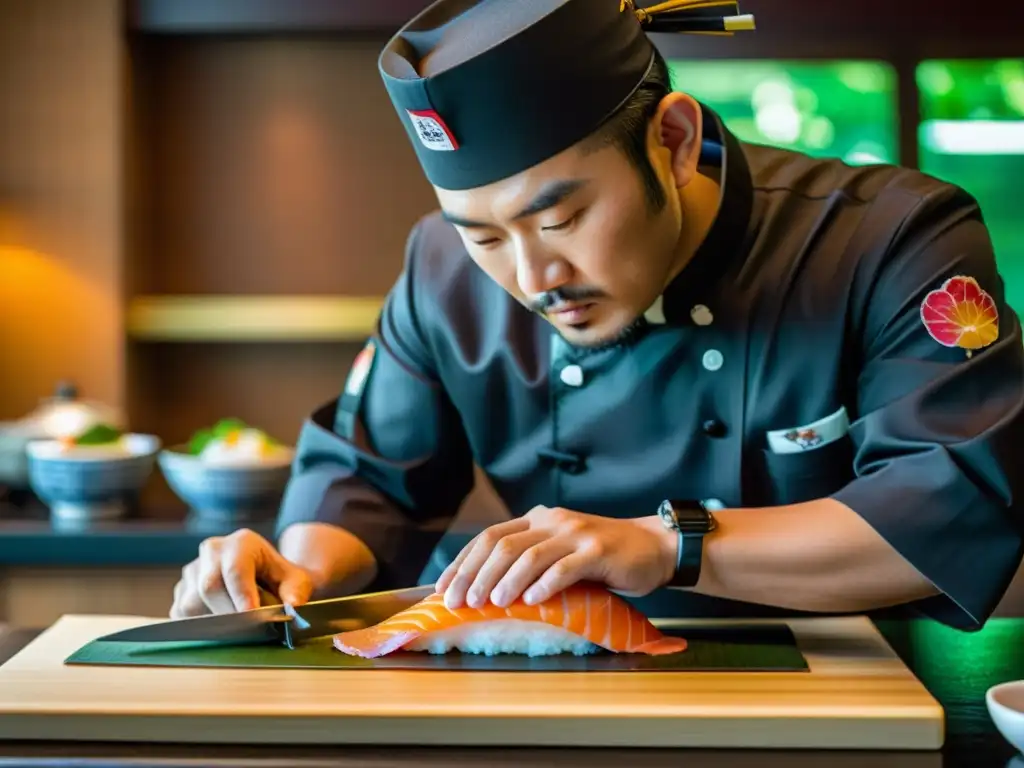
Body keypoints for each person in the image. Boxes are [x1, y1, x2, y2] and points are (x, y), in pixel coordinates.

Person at [170, 0, 1024, 631]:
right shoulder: (441, 266)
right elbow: (369, 475)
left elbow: (948, 510)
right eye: (484, 235)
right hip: (543, 677)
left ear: (676, 141)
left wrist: (662, 545)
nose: (534, 275)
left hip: (838, 684)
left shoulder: (889, 240)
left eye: (560, 220)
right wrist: (296, 571)